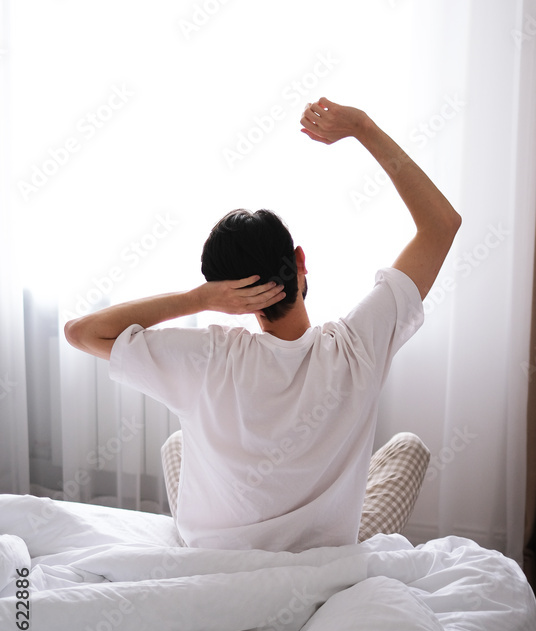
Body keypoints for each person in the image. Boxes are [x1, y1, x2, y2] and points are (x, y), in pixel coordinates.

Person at [64, 97, 461, 552]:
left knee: (178, 443)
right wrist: (362, 127)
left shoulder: (208, 356)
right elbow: (441, 224)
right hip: (320, 556)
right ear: (300, 260)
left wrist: (198, 299)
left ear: (225, 291)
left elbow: (81, 332)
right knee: (407, 447)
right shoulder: (357, 346)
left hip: (218, 553)